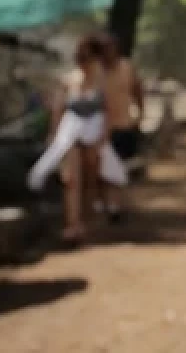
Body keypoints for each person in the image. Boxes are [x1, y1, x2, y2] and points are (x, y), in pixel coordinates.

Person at [26, 35, 128, 243]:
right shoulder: (69, 81)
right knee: (71, 179)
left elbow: (109, 111)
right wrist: (54, 135)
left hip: (94, 135)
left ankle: (88, 217)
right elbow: (59, 110)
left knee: (91, 177)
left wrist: (102, 137)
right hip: (71, 134)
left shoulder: (102, 83)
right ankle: (73, 223)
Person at [100, 33, 143, 222]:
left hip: (123, 125)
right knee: (106, 169)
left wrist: (140, 114)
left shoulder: (127, 68)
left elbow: (138, 91)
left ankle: (116, 205)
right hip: (102, 130)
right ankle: (109, 205)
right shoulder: (97, 71)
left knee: (120, 167)